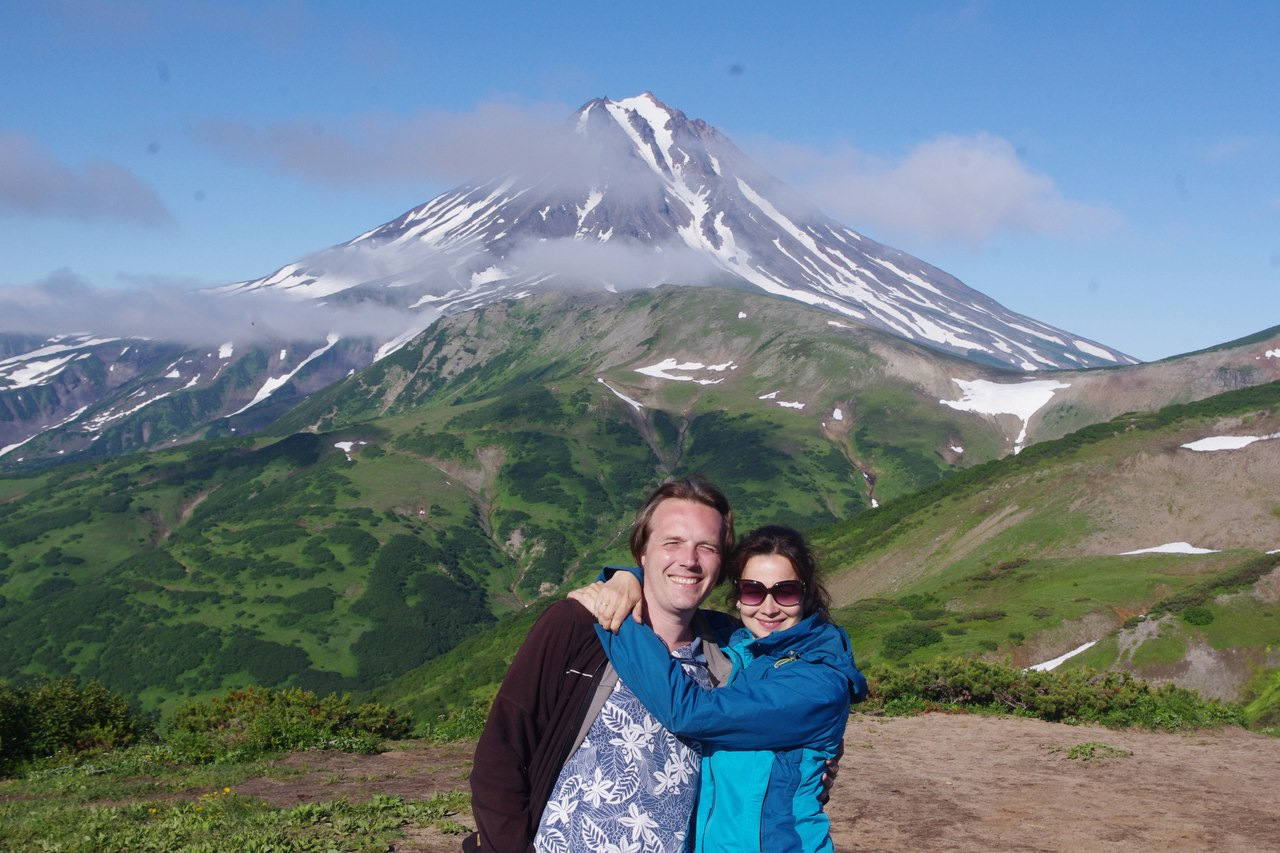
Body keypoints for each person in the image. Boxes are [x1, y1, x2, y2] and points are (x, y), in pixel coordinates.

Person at [464, 475, 739, 852]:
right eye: (671, 542)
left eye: (707, 547)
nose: (689, 560)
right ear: (642, 552)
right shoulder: (578, 626)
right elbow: (502, 754)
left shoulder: (730, 656)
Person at [587, 524, 866, 853]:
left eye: (786, 591)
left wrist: (611, 614)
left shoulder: (818, 682)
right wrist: (625, 579)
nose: (769, 607)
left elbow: (690, 712)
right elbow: (673, 603)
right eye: (753, 591)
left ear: (806, 594)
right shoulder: (744, 643)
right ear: (738, 595)